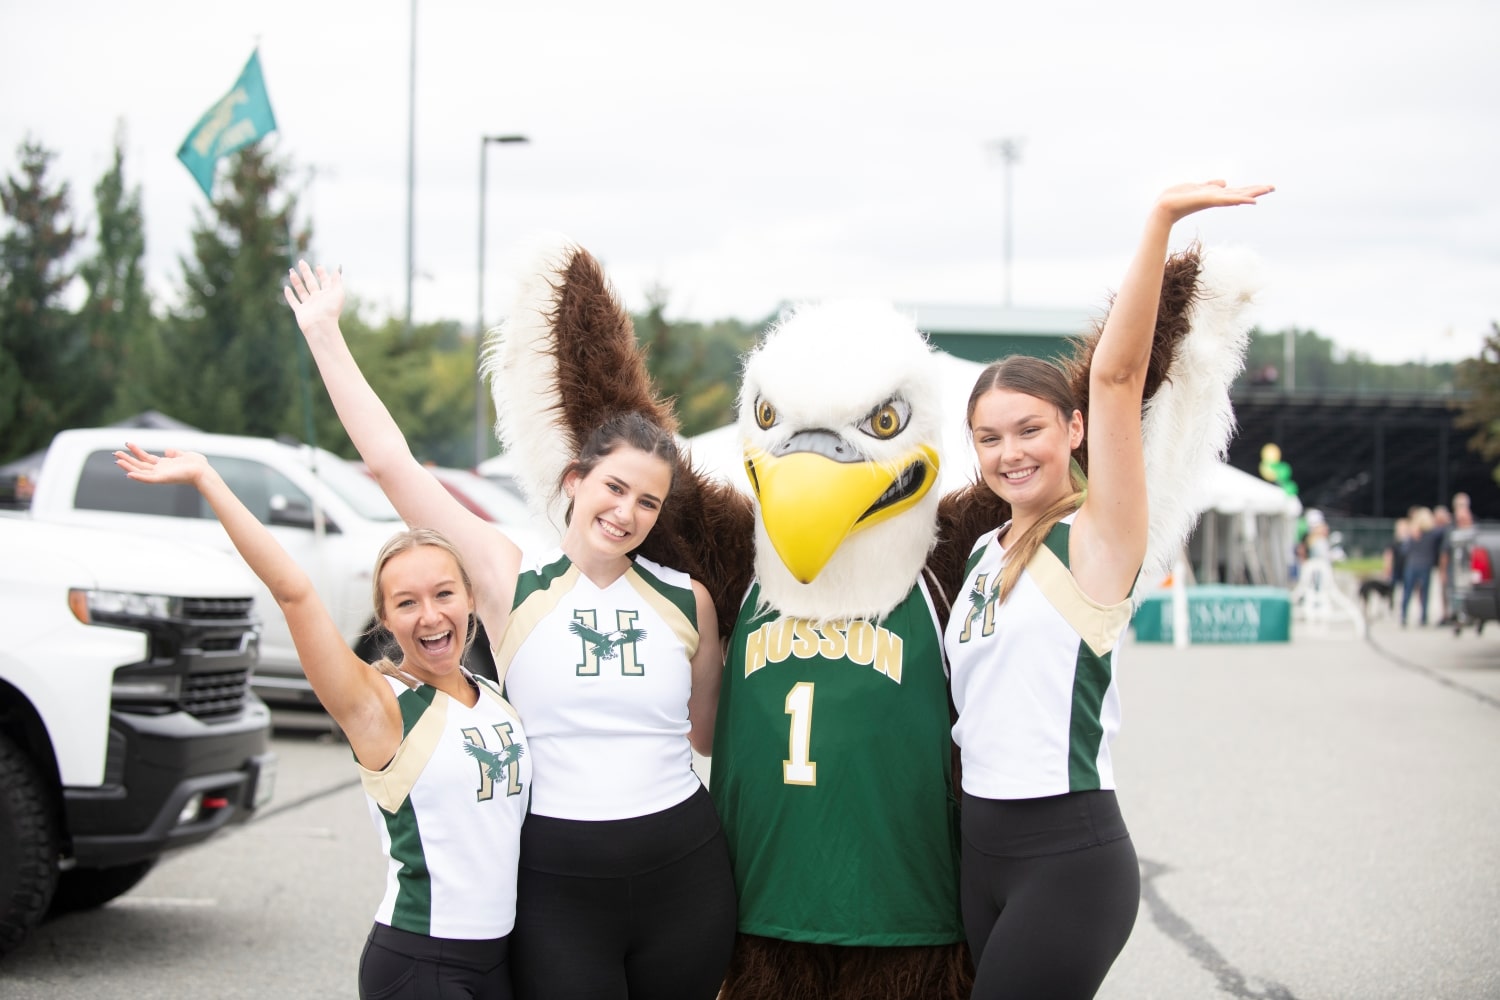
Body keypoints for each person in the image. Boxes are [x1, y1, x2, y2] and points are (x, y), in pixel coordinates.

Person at [283, 261, 736, 1000]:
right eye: (613, 487)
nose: (626, 513)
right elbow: (390, 464)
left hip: (683, 878)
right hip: (559, 886)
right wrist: (326, 335)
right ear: (574, 482)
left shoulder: (690, 602)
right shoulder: (507, 574)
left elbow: (709, 735)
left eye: (648, 502)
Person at [942, 180, 1273, 998]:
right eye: (989, 438)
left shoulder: (1097, 536)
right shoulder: (982, 550)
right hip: (979, 852)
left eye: (1030, 430)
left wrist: (1160, 220)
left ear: (1073, 431)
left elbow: (1119, 378)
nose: (1010, 452)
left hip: (1068, 856)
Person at [114, 444, 530, 1000]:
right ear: (385, 618)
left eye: (444, 594)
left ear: (470, 599)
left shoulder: (496, 694)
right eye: (406, 603)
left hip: (502, 961)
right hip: (421, 963)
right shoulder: (379, 705)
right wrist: (207, 479)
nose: (430, 615)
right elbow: (294, 592)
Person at [1402, 505, 1439, 626]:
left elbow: (1404, 549)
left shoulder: (1414, 534)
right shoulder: (1432, 534)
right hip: (1425, 565)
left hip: (1412, 565)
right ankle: (1423, 617)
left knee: (1408, 592)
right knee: (1424, 593)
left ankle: (1404, 616)